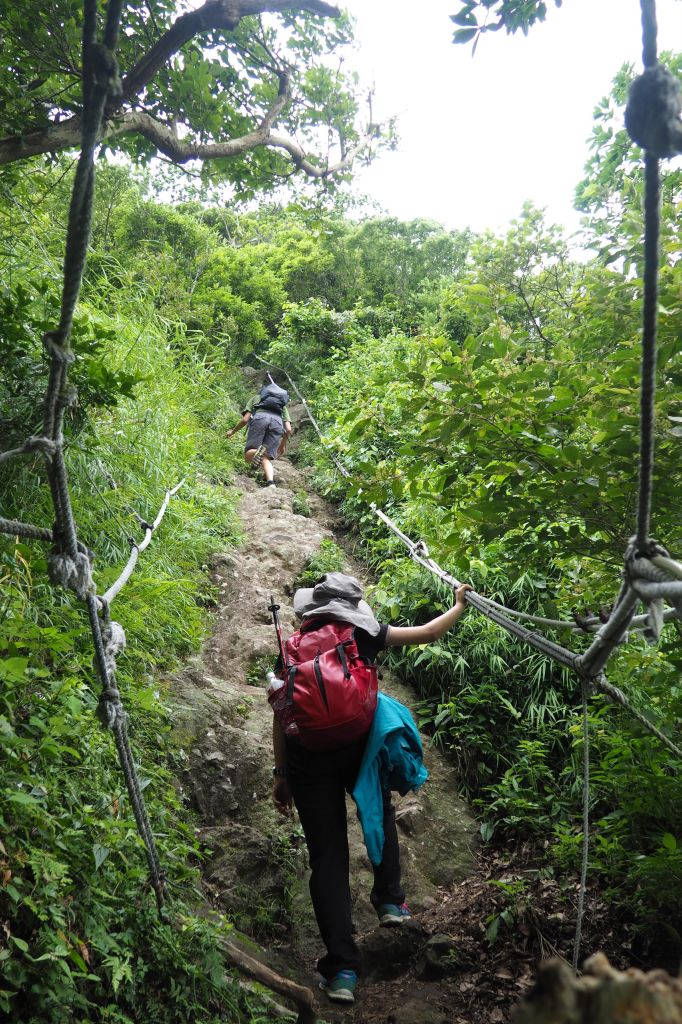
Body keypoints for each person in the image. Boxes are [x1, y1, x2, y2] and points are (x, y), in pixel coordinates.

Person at [270, 571, 472, 1005]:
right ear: (351, 607)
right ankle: (390, 903)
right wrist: (459, 603)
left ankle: (342, 970)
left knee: (327, 857)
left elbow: (280, 716)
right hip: (360, 748)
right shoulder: (364, 632)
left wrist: (281, 776)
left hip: (307, 759)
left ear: (312, 610)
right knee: (377, 814)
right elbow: (429, 632)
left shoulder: (290, 648)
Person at [226, 382, 292, 487]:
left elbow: (245, 420)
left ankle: (257, 452)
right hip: (277, 423)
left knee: (248, 456)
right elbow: (288, 429)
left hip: (260, 418)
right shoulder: (281, 405)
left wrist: (232, 432)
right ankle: (271, 483)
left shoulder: (256, 398)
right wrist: (282, 445)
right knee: (266, 457)